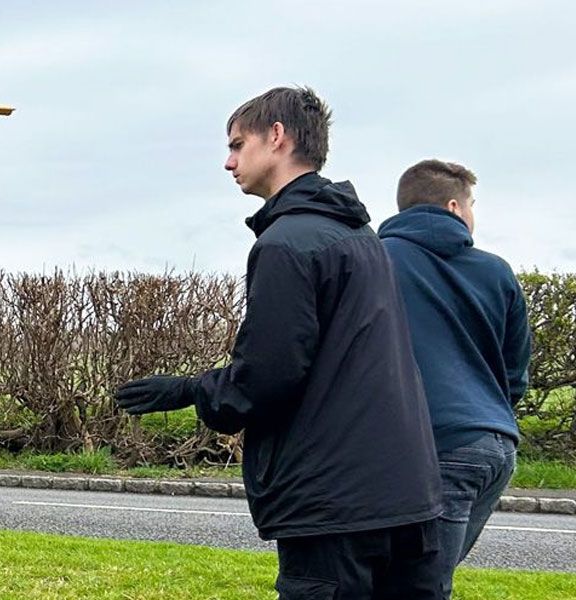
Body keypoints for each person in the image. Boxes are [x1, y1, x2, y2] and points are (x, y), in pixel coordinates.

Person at [113, 86, 447, 599]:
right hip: (406, 494)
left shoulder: (287, 243)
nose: (228, 162)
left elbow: (267, 376)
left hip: (333, 504)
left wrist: (189, 391)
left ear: (276, 137)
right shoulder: (361, 238)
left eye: (236, 144)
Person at [379, 159, 530, 589]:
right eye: (473, 205)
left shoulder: (377, 260)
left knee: (413, 585)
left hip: (430, 444)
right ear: (455, 207)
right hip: (494, 445)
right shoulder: (497, 271)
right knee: (420, 580)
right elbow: (515, 371)